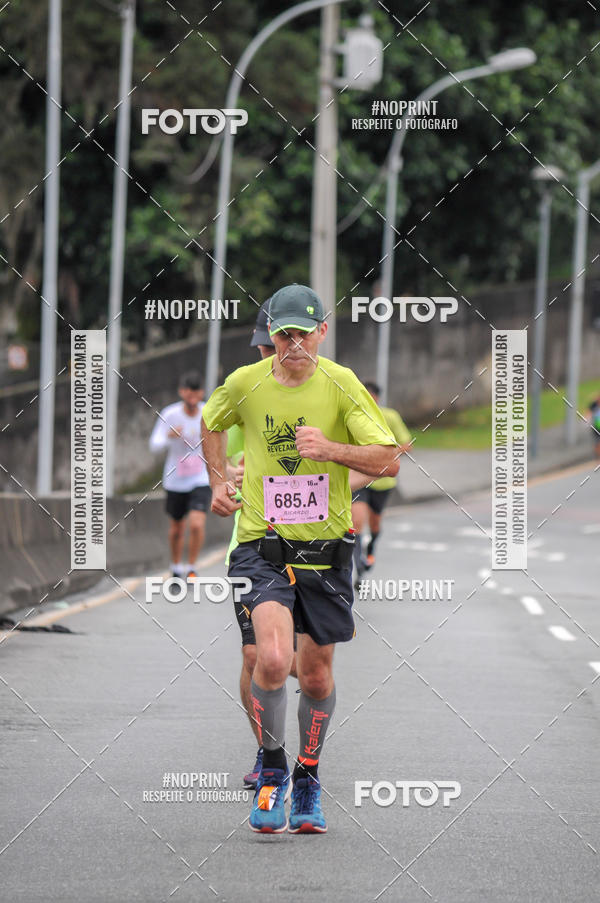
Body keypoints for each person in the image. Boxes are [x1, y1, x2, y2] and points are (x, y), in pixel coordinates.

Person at [202, 284, 399, 834]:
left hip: (326, 552)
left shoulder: (342, 385)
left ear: (322, 332)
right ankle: (271, 770)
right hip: (260, 548)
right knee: (268, 657)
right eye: (282, 334)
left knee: (314, 676)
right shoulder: (246, 382)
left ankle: (308, 775)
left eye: (302, 333)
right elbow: (212, 422)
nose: (291, 344)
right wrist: (219, 481)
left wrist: (332, 449)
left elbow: (388, 462)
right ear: (272, 336)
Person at [225, 299, 297, 791]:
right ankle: (268, 752)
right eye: (262, 346)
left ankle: (307, 763)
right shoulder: (245, 393)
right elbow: (219, 450)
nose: (266, 354)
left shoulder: (326, 389)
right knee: (258, 658)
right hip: (254, 544)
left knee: (306, 666)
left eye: (272, 345)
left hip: (316, 547)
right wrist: (224, 476)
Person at [149, 371, 210, 580]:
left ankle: (191, 567)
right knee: (177, 528)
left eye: (196, 393)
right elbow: (154, 445)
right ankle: (175, 567)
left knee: (196, 523)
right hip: (176, 478)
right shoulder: (170, 414)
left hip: (200, 477)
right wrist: (169, 436)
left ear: (201, 393)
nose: (192, 398)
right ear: (182, 392)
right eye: (188, 393)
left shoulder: (207, 412)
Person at [351, 381, 412, 580]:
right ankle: (359, 569)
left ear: (377, 398)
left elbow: (407, 444)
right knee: (356, 522)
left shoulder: (390, 416)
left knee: (375, 524)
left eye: (371, 397)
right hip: (359, 479)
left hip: (383, 481)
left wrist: (384, 456)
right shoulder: (352, 416)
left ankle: (371, 548)